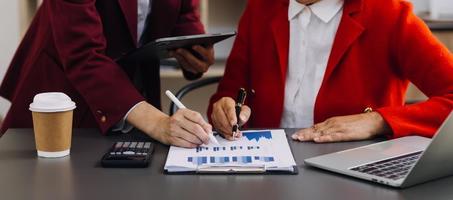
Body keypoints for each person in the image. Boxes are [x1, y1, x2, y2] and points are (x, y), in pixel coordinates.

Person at [209, 0, 453, 142]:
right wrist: (225, 108)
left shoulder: (389, 13)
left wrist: (379, 121)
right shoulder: (260, 9)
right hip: (268, 171)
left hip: (355, 172)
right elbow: (229, 93)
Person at [0, 0, 215, 148]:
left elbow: (183, 13)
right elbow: (83, 54)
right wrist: (158, 123)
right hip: (63, 102)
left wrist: (195, 50)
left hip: (134, 101)